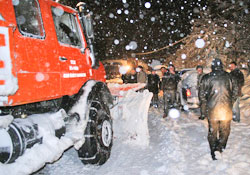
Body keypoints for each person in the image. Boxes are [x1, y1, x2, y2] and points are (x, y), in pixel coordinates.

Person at [199, 58, 238, 160]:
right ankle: (220, 147)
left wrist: (205, 106)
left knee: (213, 131)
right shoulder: (229, 76)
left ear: (212, 66)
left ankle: (214, 149)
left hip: (212, 110)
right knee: (225, 130)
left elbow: (202, 96)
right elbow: (235, 92)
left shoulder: (206, 78)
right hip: (226, 109)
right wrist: (230, 102)